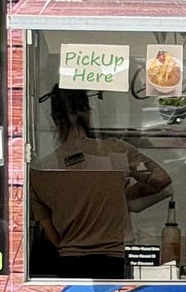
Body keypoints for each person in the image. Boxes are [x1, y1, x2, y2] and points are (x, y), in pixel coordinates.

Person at [28, 87, 173, 279]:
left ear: (54, 119)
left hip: (69, 263)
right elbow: (160, 179)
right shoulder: (117, 152)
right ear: (88, 114)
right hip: (116, 261)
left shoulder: (40, 171)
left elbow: (54, 237)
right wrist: (123, 195)